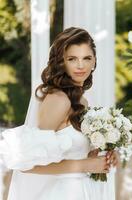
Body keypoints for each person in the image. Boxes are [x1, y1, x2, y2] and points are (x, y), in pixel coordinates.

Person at [0, 27, 117, 200]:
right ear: (61, 62)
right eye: (72, 59)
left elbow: (66, 151)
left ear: (94, 62)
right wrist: (84, 165)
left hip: (83, 191)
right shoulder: (59, 99)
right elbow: (26, 164)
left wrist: (98, 156)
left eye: (87, 58)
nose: (80, 65)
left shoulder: (82, 102)